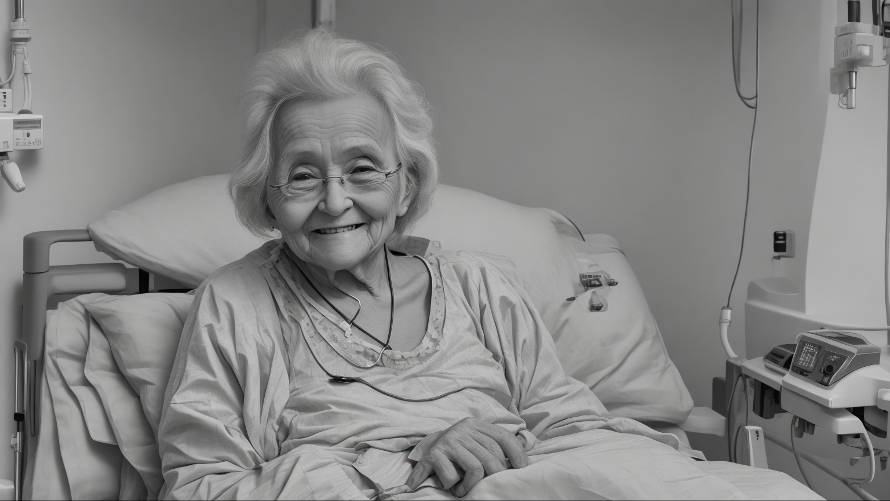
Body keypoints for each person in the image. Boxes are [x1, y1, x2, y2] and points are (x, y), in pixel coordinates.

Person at [157, 29, 822, 500]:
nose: (336, 201)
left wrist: (499, 440)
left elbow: (572, 428)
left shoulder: (480, 285)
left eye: (363, 168)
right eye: (302, 176)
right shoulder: (236, 305)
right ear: (266, 195)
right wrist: (403, 463)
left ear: (406, 182)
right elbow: (200, 486)